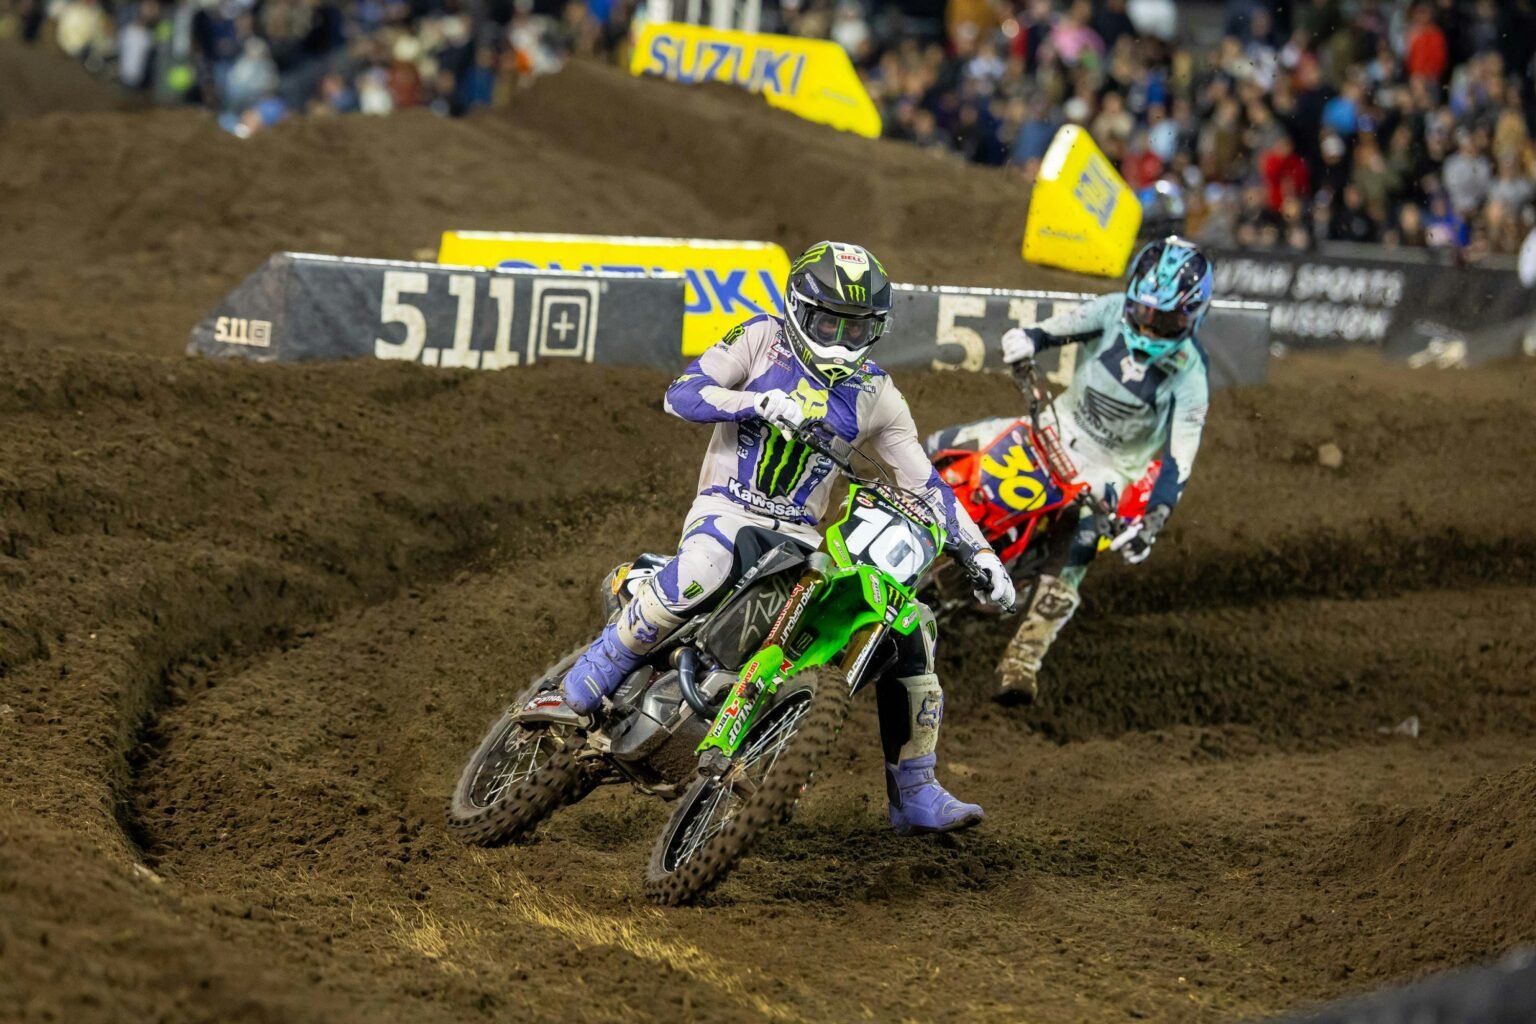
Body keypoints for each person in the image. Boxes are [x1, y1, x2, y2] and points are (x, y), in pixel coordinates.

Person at [558, 241, 1016, 835]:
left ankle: (914, 788)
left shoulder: (876, 393)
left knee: (913, 626)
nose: (842, 340)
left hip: (800, 535)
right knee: (706, 565)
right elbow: (682, 394)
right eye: (830, 324)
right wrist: (757, 402)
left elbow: (925, 484)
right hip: (728, 507)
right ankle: (602, 662)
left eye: (858, 328)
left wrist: (981, 553)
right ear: (800, 309)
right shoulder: (760, 338)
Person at [992, 236, 1212, 702]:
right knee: (956, 451)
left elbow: (1179, 459)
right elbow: (1054, 330)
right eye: (1144, 311)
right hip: (1054, 427)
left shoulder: (1191, 373)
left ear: (1192, 316)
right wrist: (1026, 338)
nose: (1149, 326)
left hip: (1110, 471)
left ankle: (1023, 661)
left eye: (1165, 319)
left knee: (1081, 543)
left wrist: (1154, 519)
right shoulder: (1112, 310)